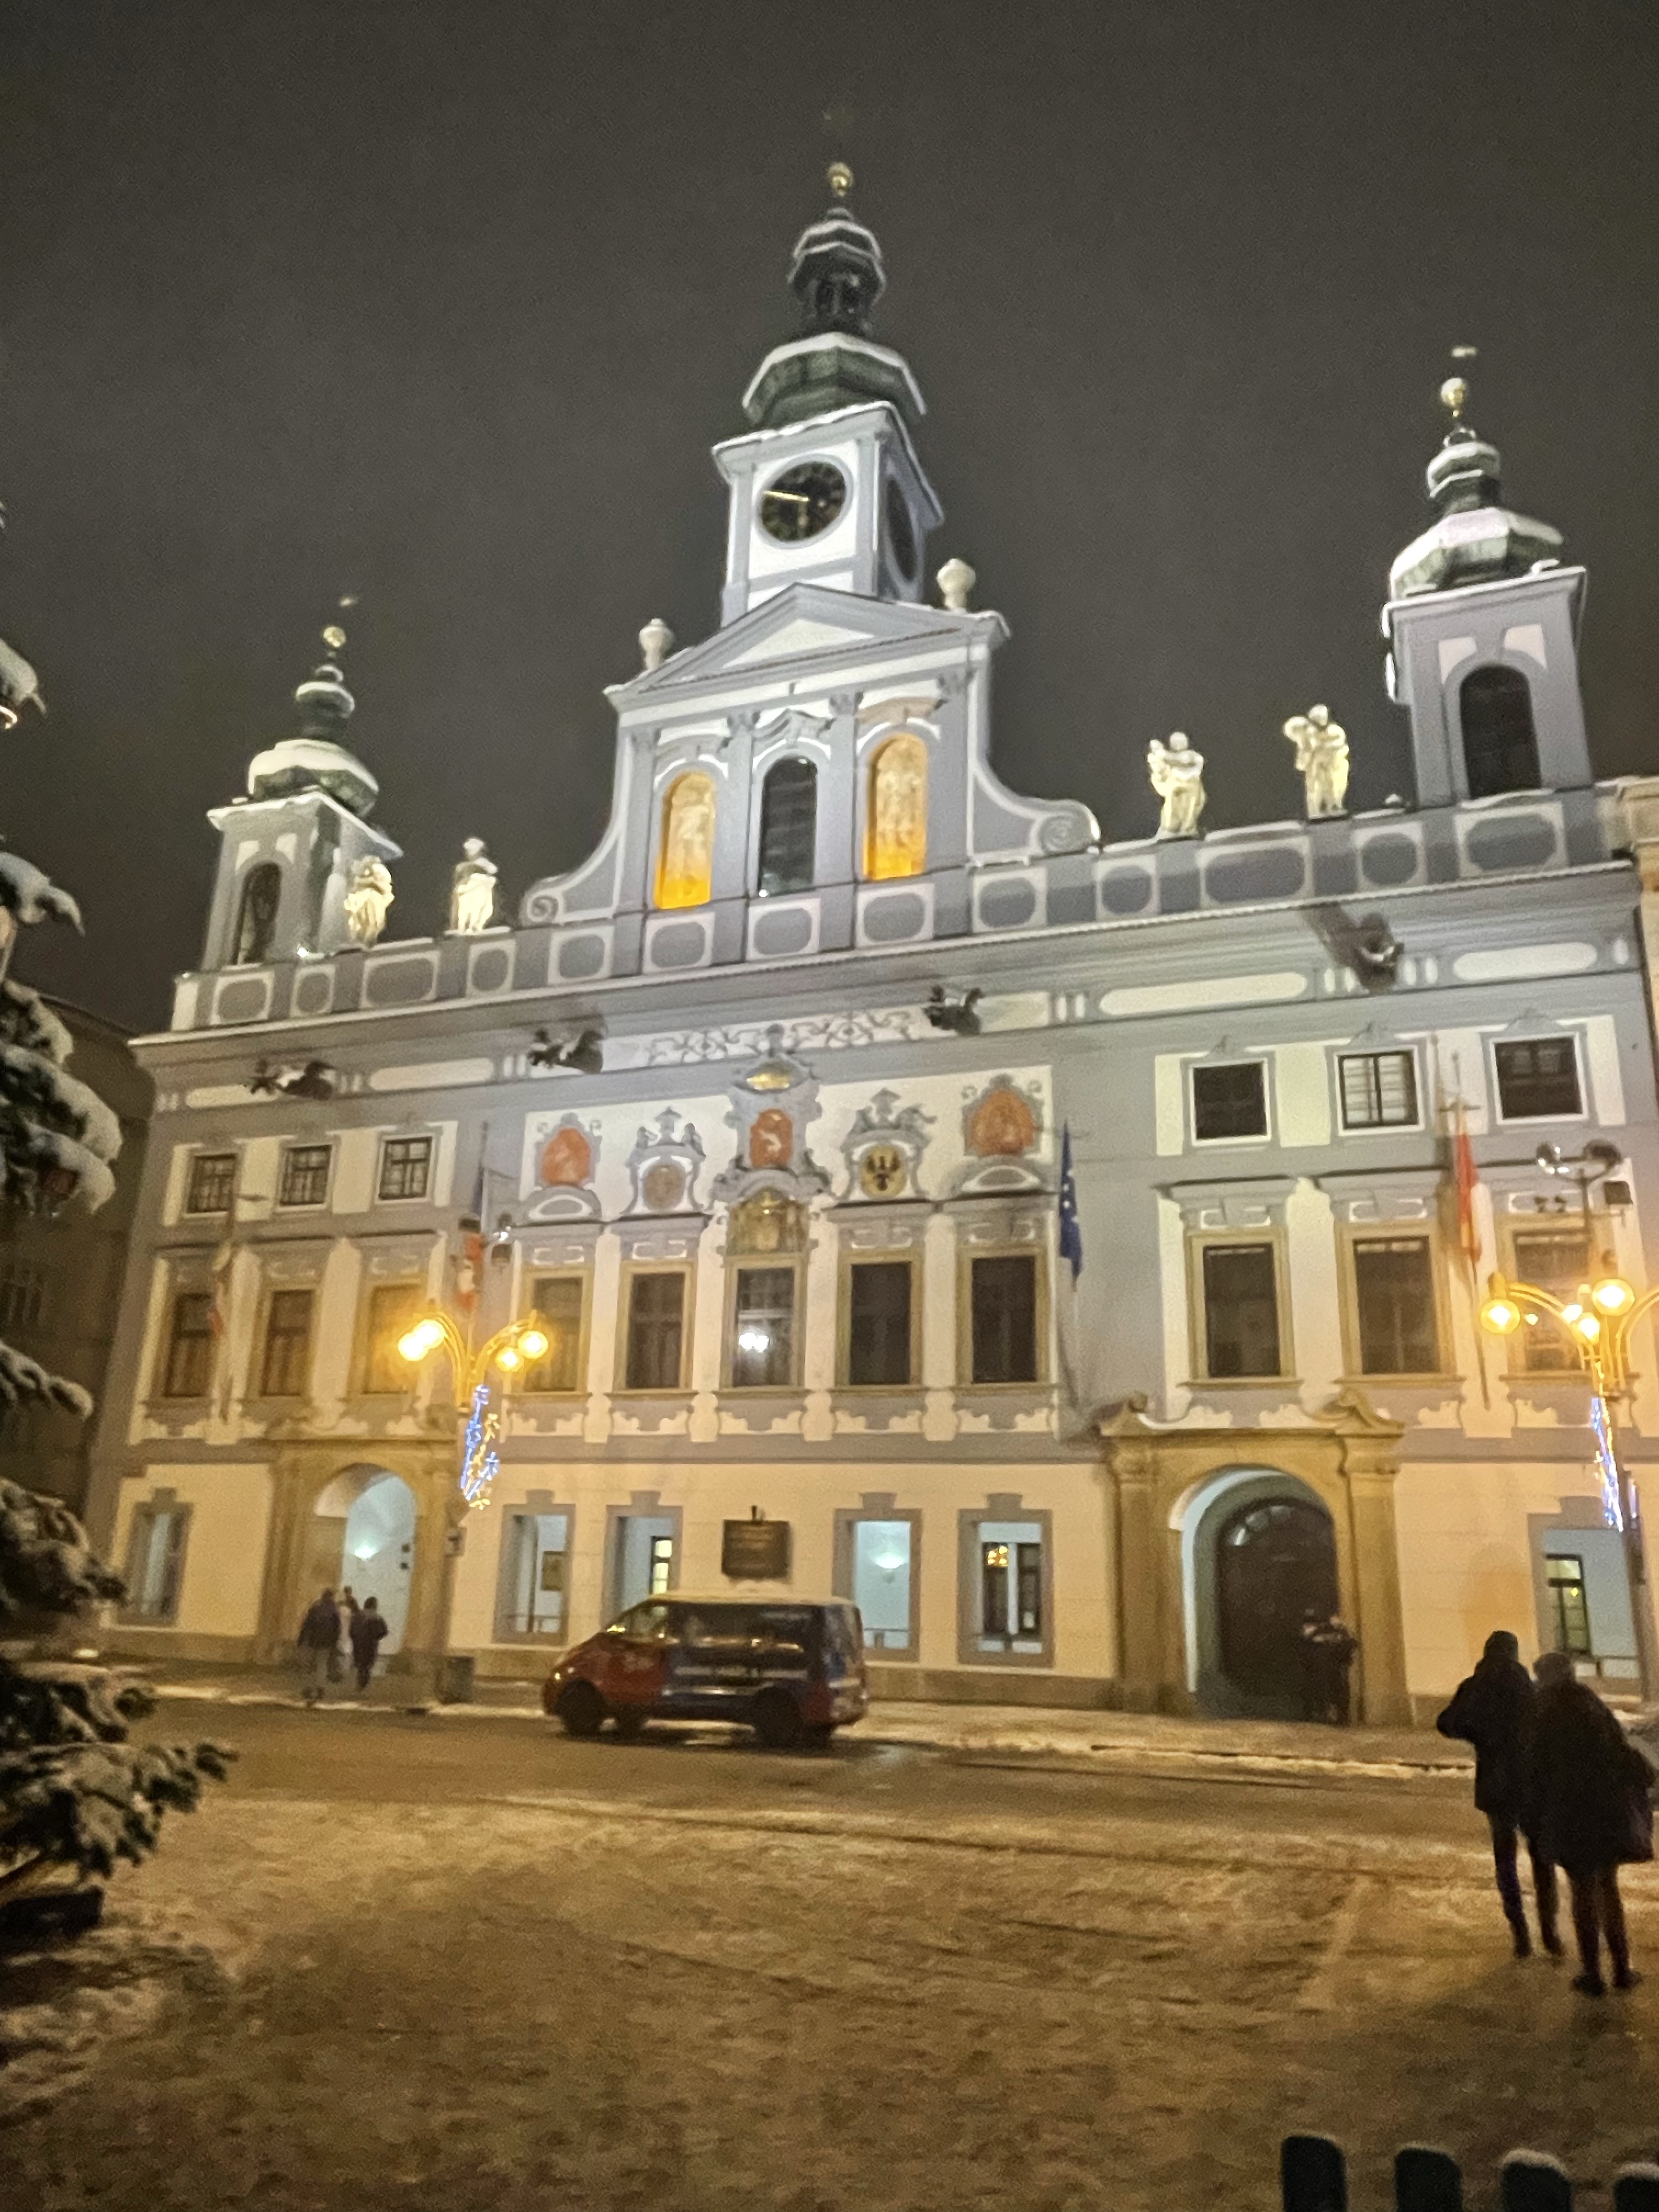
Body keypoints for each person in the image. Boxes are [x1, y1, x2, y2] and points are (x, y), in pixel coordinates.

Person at [1532, 1649, 1654, 1996]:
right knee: (1608, 1889)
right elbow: (1621, 1752)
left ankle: (1592, 1973)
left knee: (1583, 1891)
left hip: (1570, 1812)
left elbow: (1536, 1769)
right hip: (1606, 1810)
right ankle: (1621, 1969)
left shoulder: (1543, 1712)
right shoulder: (1592, 1705)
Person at [1436, 1630, 1559, 1959]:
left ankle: (1520, 1933)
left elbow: (1446, 1723)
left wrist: (1479, 1734)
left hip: (1495, 1782)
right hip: (1531, 1782)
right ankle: (1550, 1932)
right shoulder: (1528, 1687)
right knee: (1542, 1857)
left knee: (1505, 1860)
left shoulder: (1475, 1687)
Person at [1300, 1610, 1358, 1726]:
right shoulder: (1322, 1630)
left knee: (1340, 1691)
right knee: (1328, 1690)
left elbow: (1353, 1644)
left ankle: (1341, 1716)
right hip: (1325, 1667)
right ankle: (1327, 1714)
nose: (1336, 1620)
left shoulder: (1343, 1632)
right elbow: (1306, 1640)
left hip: (1339, 1667)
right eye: (1334, 1618)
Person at [296, 1587, 341, 1705]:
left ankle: (308, 1688)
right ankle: (320, 1687)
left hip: (313, 1641)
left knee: (308, 1665)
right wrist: (335, 1644)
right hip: (326, 1643)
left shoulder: (315, 1609)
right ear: (332, 1597)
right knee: (322, 1664)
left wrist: (301, 1640)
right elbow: (337, 1630)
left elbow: (306, 1625)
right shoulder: (334, 1611)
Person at [349, 1594, 390, 1693]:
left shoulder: (357, 1616)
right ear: (374, 1606)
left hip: (358, 1644)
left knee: (360, 1663)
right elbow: (383, 1632)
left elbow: (351, 1631)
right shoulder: (377, 1617)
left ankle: (360, 1681)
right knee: (367, 1665)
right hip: (371, 1645)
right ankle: (363, 1683)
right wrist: (376, 1637)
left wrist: (355, 1639)